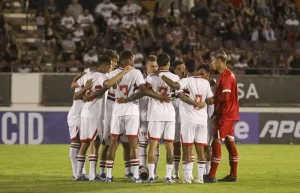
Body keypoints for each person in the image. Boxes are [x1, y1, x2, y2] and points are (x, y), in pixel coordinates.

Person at [105, 51, 169, 183]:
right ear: (128, 59)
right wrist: (160, 96)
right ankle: (135, 176)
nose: (134, 61)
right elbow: (144, 91)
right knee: (134, 145)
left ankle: (108, 175)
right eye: (133, 59)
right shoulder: (136, 73)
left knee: (113, 143)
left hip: (117, 111)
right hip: (132, 111)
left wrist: (122, 72)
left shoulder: (113, 73)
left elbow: (107, 84)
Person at [72, 57, 134, 181]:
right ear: (105, 65)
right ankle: (92, 175)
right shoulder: (102, 76)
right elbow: (108, 84)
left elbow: (75, 94)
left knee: (84, 144)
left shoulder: (87, 76)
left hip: (84, 113)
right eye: (110, 66)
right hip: (95, 115)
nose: (111, 68)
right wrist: (123, 72)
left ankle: (78, 174)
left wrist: (85, 92)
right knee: (95, 143)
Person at [156, 59, 214, 183]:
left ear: (186, 70)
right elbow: (210, 101)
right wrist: (202, 102)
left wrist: (161, 74)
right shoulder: (205, 83)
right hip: (202, 120)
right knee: (200, 149)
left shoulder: (186, 80)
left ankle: (187, 177)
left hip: (189, 119)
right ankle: (200, 177)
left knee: (187, 148)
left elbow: (175, 86)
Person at [204, 50, 240, 183]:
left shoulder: (226, 77)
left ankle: (211, 175)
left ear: (219, 61)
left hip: (226, 114)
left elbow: (225, 98)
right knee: (230, 143)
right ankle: (233, 175)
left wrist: (217, 113)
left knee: (216, 141)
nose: (212, 63)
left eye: (213, 61)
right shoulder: (226, 75)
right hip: (230, 114)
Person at [144, 53, 180, 183]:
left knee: (153, 145)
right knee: (170, 146)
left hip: (155, 113)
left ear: (158, 64)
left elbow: (145, 91)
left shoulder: (151, 77)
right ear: (169, 63)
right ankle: (169, 177)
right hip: (169, 113)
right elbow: (177, 91)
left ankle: (151, 176)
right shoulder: (175, 76)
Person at [137, 55, 161, 179]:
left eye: (156, 66)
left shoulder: (159, 79)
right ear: (146, 67)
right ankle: (141, 170)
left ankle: (153, 172)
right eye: (152, 66)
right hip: (142, 118)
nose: (154, 68)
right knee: (142, 145)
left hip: (155, 117)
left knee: (155, 145)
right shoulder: (141, 80)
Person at [67, 73, 92, 180]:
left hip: (83, 117)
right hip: (76, 117)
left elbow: (72, 84)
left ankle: (81, 172)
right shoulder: (81, 86)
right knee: (76, 143)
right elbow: (78, 96)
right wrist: (86, 89)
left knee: (83, 144)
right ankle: (75, 173)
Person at [198, 64, 217, 175]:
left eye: (202, 73)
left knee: (208, 145)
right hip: (199, 117)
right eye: (199, 73)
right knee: (201, 145)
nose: (200, 76)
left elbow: (216, 99)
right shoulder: (198, 83)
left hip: (209, 118)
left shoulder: (213, 84)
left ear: (208, 74)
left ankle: (208, 171)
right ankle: (204, 171)